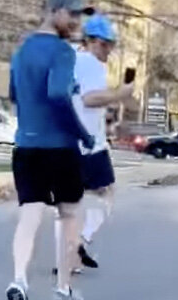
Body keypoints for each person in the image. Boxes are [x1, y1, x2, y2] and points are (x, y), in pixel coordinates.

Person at [5, 0, 96, 300]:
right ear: (55, 11)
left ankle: (19, 280)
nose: (76, 22)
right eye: (72, 14)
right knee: (70, 214)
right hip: (59, 148)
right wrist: (81, 133)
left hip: (25, 147)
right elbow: (58, 95)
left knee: (29, 215)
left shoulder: (21, 51)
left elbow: (14, 94)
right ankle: (63, 291)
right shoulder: (61, 52)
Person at [52, 14, 133, 275]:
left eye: (111, 44)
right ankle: (78, 244)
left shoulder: (71, 59)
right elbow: (90, 99)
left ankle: (67, 255)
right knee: (105, 195)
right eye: (104, 44)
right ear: (92, 41)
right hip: (88, 145)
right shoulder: (90, 63)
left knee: (70, 204)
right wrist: (120, 94)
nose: (108, 49)